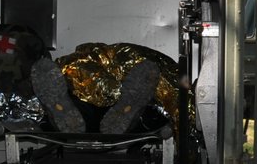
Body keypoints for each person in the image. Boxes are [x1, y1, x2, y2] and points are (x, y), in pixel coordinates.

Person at [29, 43, 178, 136]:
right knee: (122, 115)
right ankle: (130, 110)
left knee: (79, 112)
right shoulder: (128, 58)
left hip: (83, 101)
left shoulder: (83, 60)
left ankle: (58, 109)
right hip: (111, 105)